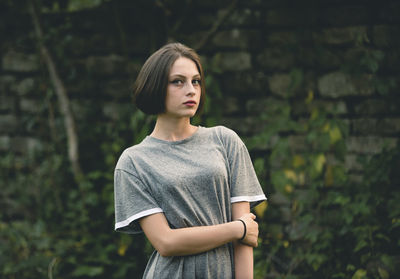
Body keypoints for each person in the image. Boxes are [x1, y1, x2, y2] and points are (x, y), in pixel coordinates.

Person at [114, 42, 266, 279]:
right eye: (178, 81)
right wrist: (238, 228)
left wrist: (243, 231)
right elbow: (165, 242)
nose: (191, 90)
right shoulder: (133, 162)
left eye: (196, 81)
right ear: (155, 87)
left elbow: (246, 241)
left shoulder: (225, 141)